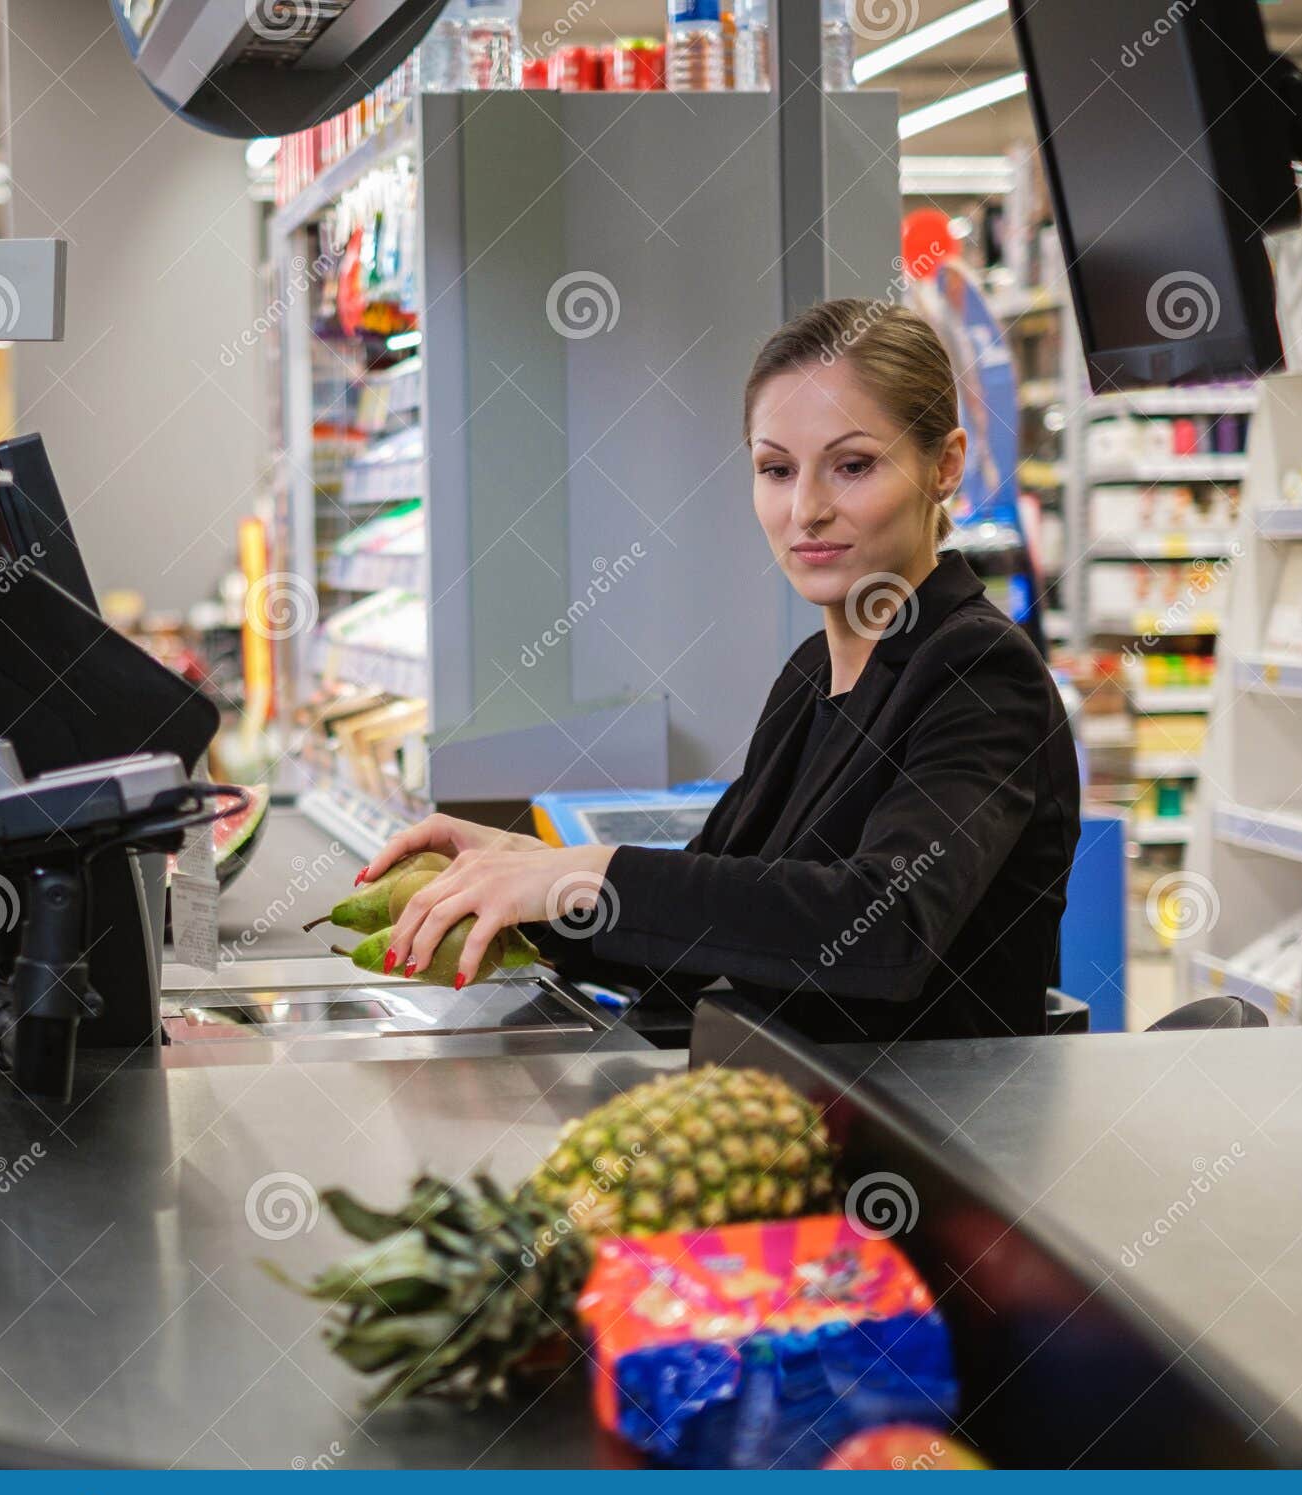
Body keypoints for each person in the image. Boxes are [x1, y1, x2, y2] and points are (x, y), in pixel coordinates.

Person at [358, 299, 1081, 1044]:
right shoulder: (812, 676)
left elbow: (882, 926)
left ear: (946, 465)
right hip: (784, 1106)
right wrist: (530, 880)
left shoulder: (981, 672)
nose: (806, 509)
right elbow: (700, 940)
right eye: (776, 469)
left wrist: (593, 871)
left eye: (853, 465)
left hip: (923, 1137)